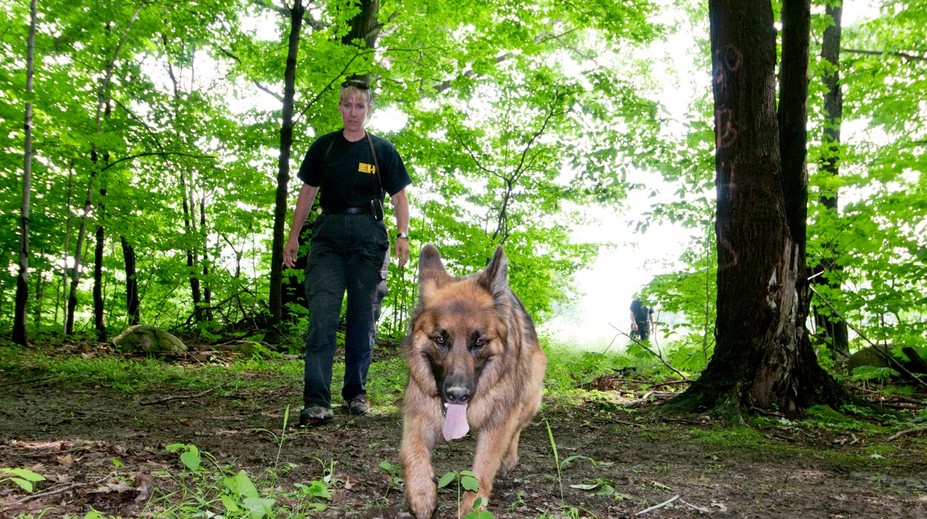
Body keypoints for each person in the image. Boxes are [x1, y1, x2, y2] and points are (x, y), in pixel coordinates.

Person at [283, 78, 411, 426]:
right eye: (347, 105)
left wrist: (403, 235)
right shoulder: (324, 147)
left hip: (368, 237)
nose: (353, 112)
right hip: (327, 237)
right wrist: (293, 236)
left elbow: (399, 196)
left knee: (362, 318)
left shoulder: (381, 150)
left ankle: (355, 394)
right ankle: (316, 400)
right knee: (322, 316)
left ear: (369, 110)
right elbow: (307, 194)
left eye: (360, 106)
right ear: (339, 108)